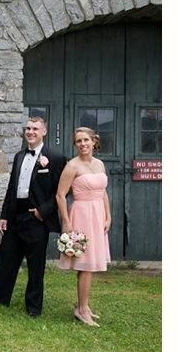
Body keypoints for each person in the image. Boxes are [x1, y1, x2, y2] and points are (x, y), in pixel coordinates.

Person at [0, 116, 66, 316]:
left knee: (35, 264)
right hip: (15, 214)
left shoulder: (55, 158)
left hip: (36, 217)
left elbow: (59, 193)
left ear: (44, 131)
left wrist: (41, 212)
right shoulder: (19, 156)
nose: (30, 132)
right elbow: (12, 188)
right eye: (28, 128)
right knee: (6, 257)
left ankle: (34, 307)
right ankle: (0, 298)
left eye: (35, 128)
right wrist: (4, 215)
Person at [56, 127, 111, 327]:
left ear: (93, 141)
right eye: (78, 141)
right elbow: (60, 195)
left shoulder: (100, 164)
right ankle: (81, 310)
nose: (82, 144)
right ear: (75, 144)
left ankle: (84, 305)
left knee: (92, 264)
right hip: (82, 215)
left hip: (98, 215)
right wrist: (67, 222)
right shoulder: (72, 166)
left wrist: (108, 216)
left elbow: (103, 192)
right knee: (86, 266)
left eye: (86, 140)